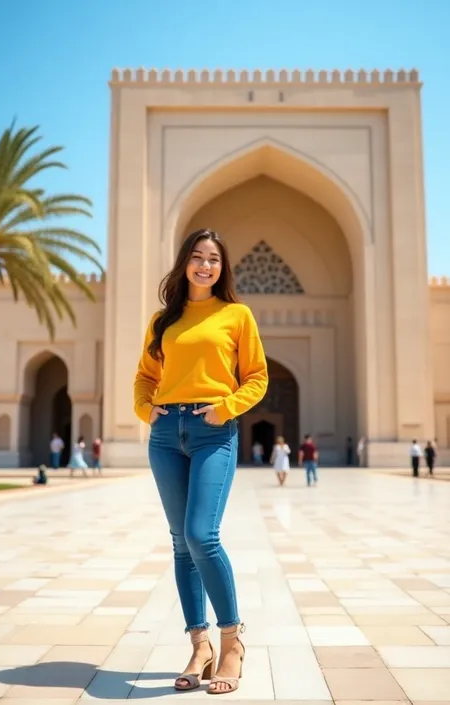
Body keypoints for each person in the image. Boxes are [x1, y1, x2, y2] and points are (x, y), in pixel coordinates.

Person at [134, 228, 268, 694]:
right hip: (166, 433)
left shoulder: (236, 315)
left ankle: (231, 641)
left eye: (213, 259)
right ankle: (200, 645)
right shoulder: (162, 320)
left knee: (200, 535)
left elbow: (256, 376)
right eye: (197, 257)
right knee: (179, 543)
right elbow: (145, 376)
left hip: (214, 432)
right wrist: (145, 410)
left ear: (222, 268)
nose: (205, 265)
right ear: (184, 264)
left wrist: (225, 408)